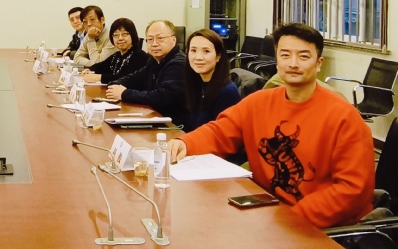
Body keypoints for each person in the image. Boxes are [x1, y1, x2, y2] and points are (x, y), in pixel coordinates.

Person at [169, 23, 374, 229]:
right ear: (276, 60)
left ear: (318, 63)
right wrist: (185, 144)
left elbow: (352, 190)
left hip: (321, 228)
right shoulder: (258, 103)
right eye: (285, 55)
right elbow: (220, 132)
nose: (293, 63)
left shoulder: (344, 117)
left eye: (303, 56)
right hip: (269, 214)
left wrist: (290, 219)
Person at [106, 20, 186, 124]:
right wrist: (116, 85)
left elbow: (164, 97)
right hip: (155, 117)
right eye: (150, 39)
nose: (154, 44)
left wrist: (124, 93)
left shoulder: (178, 63)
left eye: (160, 38)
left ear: (173, 40)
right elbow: (135, 78)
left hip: (174, 125)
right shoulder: (153, 60)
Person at [182, 29, 241, 131]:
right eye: (193, 50)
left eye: (206, 51)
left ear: (218, 56)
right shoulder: (197, 84)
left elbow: (224, 134)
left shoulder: (227, 92)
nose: (198, 57)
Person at [81, 18, 149, 84]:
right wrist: (89, 70)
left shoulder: (140, 56)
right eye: (116, 35)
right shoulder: (117, 55)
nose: (120, 38)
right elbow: (101, 66)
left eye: (124, 34)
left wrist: (100, 78)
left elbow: (127, 78)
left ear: (132, 35)